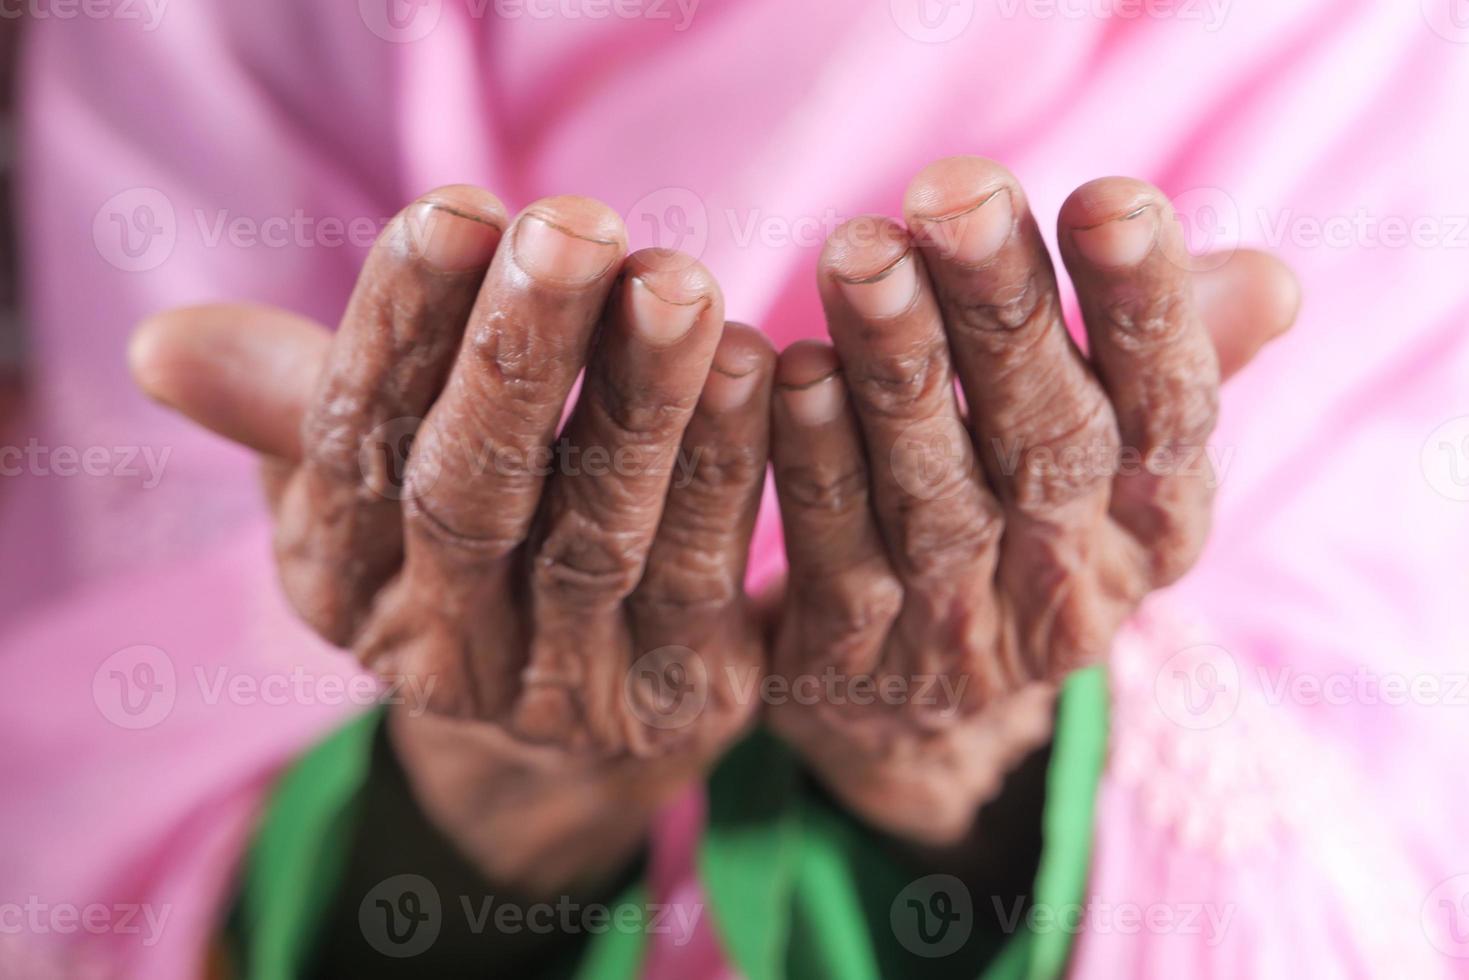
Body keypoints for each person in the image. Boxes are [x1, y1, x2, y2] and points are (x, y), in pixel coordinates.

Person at [3, 3, 1466, 978]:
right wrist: (481, 804)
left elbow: (1396, 821)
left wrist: (980, 769)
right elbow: (98, 756)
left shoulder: (1378, 51)